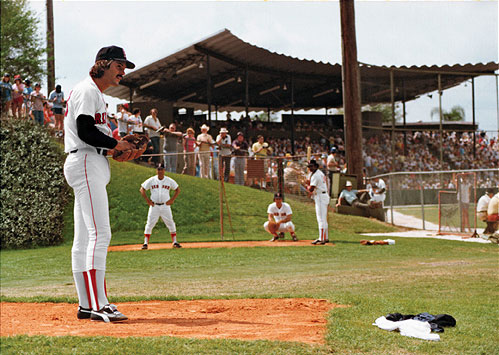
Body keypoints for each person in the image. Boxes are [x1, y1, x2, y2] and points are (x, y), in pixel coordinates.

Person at [63, 45, 136, 322]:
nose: (122, 71)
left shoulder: (95, 94)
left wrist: (112, 149)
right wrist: (116, 143)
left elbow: (92, 134)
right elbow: (85, 130)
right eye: (119, 65)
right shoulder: (88, 90)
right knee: (100, 234)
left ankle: (86, 303)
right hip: (85, 161)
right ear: (102, 64)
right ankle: (98, 304)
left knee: (84, 238)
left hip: (88, 160)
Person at [139, 164, 181, 249]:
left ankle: (175, 242)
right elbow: (142, 189)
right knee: (150, 223)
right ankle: (145, 243)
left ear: (164, 170)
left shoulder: (169, 180)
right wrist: (147, 200)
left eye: (161, 169)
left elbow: (177, 189)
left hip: (165, 205)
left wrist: (172, 200)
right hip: (154, 205)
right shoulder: (152, 180)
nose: (160, 171)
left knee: (170, 222)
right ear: (156, 170)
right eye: (158, 169)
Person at [305, 159, 331, 245]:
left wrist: (306, 185)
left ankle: (322, 238)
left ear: (316, 166)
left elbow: (311, 189)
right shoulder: (319, 173)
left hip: (320, 196)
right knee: (323, 218)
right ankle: (325, 237)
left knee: (321, 218)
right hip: (323, 195)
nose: (310, 168)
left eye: (311, 166)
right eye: (309, 167)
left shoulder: (316, 175)